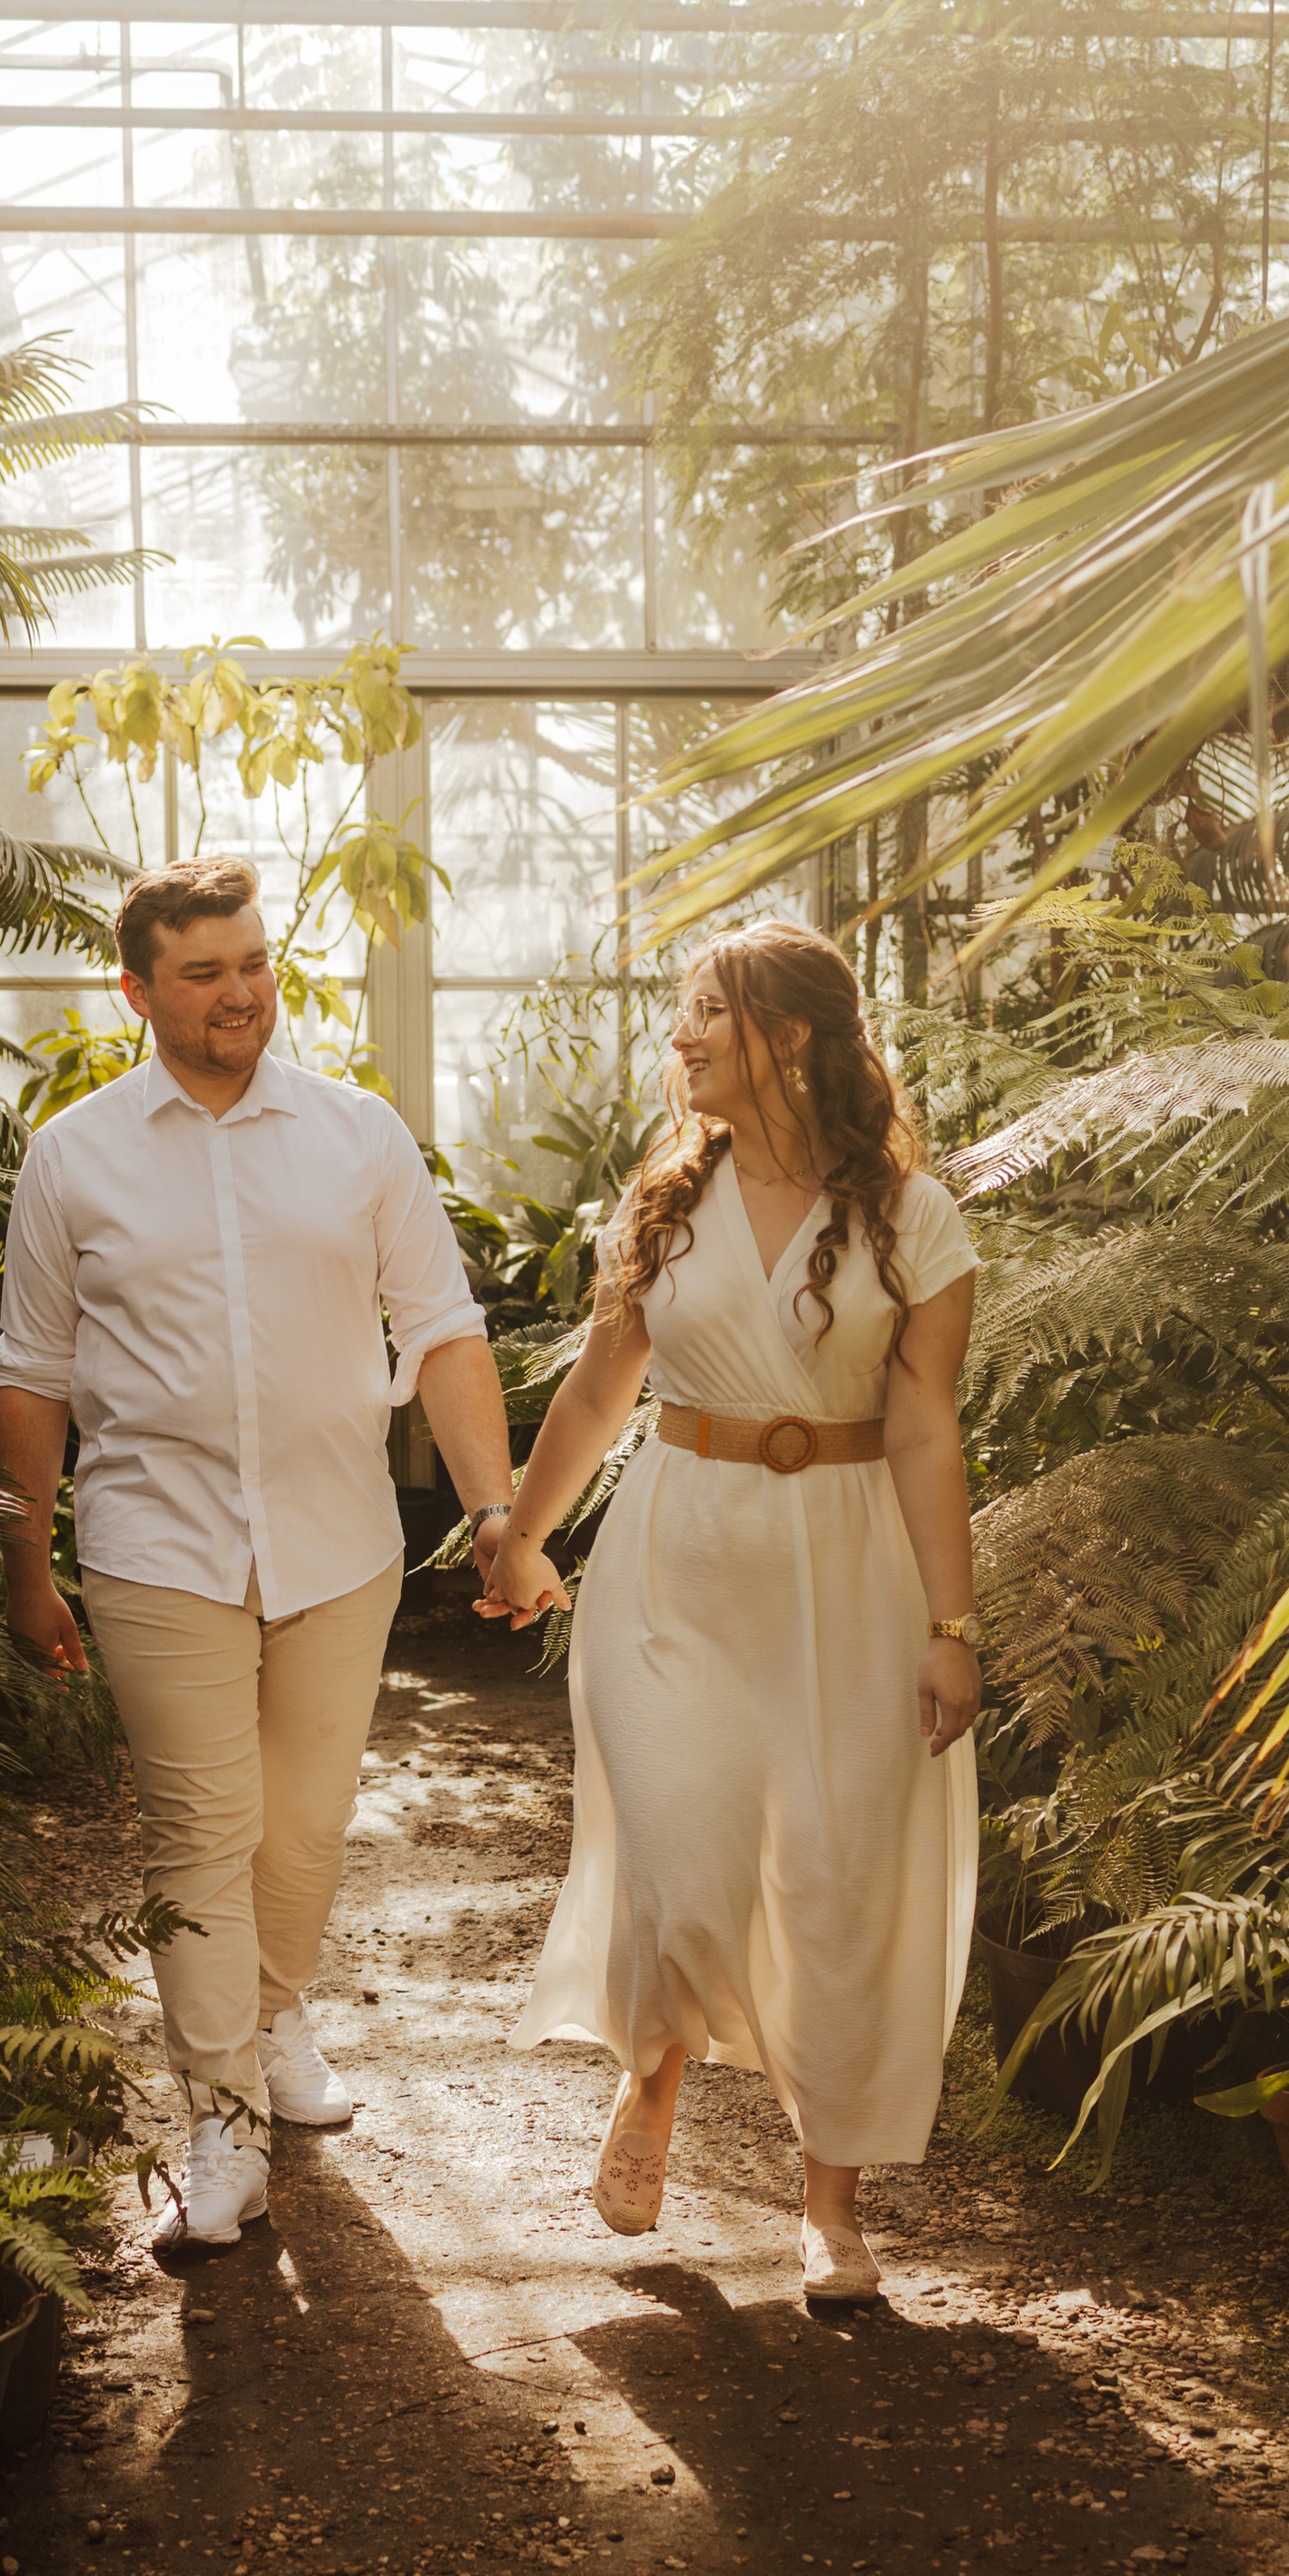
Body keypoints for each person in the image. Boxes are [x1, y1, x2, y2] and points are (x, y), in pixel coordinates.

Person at [0, 855, 515, 2254]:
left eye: (255, 964)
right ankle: (219, 2123)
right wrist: (28, 1560)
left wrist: (501, 1513)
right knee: (196, 1839)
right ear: (140, 989)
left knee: (307, 1827)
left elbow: (444, 1331)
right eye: (208, 972)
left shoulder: (360, 1137)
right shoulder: (74, 1155)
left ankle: (276, 2017)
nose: (242, 994)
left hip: (341, 1546)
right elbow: (32, 1370)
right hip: (157, 1545)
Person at [479, 920, 982, 2303]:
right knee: (682, 1847)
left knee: (835, 1878)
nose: (682, 1035)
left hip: (847, 1568)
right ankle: (656, 2074)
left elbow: (928, 1427)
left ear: (792, 1037)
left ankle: (831, 2208)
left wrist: (953, 1629)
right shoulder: (667, 1198)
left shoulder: (911, 1218)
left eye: (709, 1011)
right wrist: (519, 1535)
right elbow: (596, 1394)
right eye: (684, 1012)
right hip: (677, 1559)